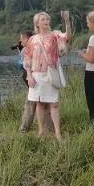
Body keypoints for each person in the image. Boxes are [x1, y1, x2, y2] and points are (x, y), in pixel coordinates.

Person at [23, 11, 71, 140]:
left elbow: (67, 37)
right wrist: (29, 75)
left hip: (50, 74)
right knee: (39, 103)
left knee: (54, 104)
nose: (46, 21)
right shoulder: (32, 39)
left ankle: (57, 133)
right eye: (43, 20)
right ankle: (41, 130)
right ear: (37, 23)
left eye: (47, 19)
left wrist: (67, 21)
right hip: (36, 75)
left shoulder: (54, 35)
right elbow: (27, 58)